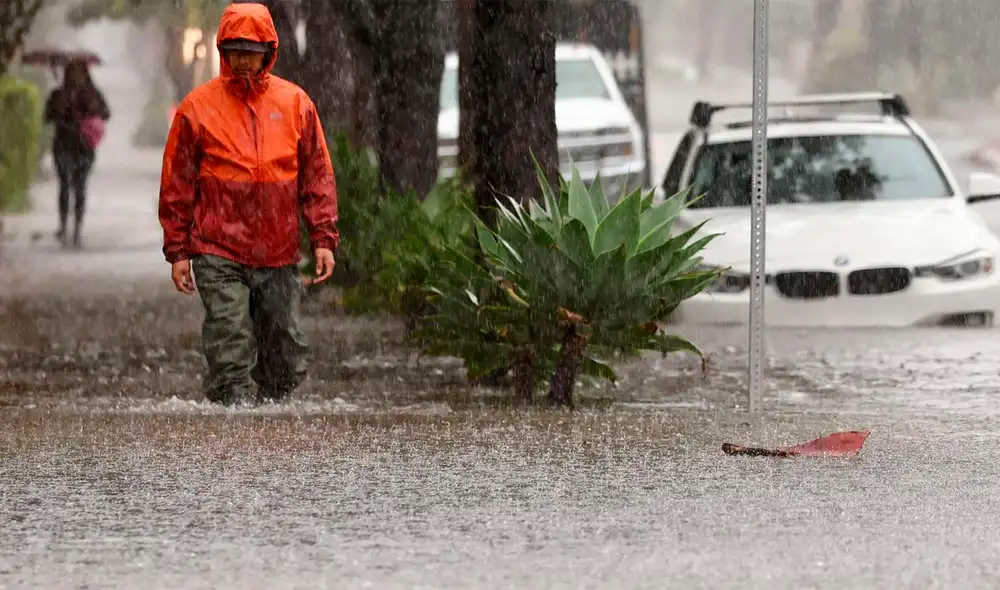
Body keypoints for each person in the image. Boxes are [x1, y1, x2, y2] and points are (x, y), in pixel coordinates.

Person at [158, 3, 339, 407]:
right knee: (229, 343)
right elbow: (178, 183)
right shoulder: (197, 108)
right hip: (216, 248)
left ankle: (269, 414)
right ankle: (233, 420)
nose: (242, 61)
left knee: (285, 352)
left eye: (251, 52)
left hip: (277, 251)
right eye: (235, 51)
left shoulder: (295, 104)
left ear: (268, 52)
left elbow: (316, 175)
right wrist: (178, 252)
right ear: (223, 50)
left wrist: (323, 237)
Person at [43, 58, 111, 248]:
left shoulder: (92, 94)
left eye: (78, 72)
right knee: (64, 185)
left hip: (84, 147)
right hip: (63, 144)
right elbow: (46, 116)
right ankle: (64, 226)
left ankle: (77, 230)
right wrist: (59, 109)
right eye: (71, 72)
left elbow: (106, 113)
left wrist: (91, 109)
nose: (75, 76)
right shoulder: (58, 94)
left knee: (80, 187)